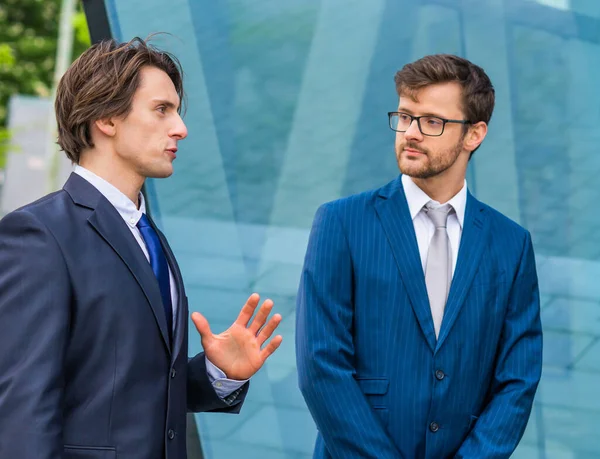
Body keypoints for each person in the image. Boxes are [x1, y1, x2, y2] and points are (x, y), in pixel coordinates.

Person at [0, 37, 282, 459]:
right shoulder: (38, 236)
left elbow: (131, 389)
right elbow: (23, 414)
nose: (180, 128)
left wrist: (217, 374)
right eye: (161, 110)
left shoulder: (150, 237)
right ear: (107, 118)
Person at [296, 54, 542, 458]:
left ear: (474, 135)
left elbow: (518, 378)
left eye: (431, 121)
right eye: (405, 116)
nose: (410, 132)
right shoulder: (341, 222)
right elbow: (320, 366)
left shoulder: (511, 244)